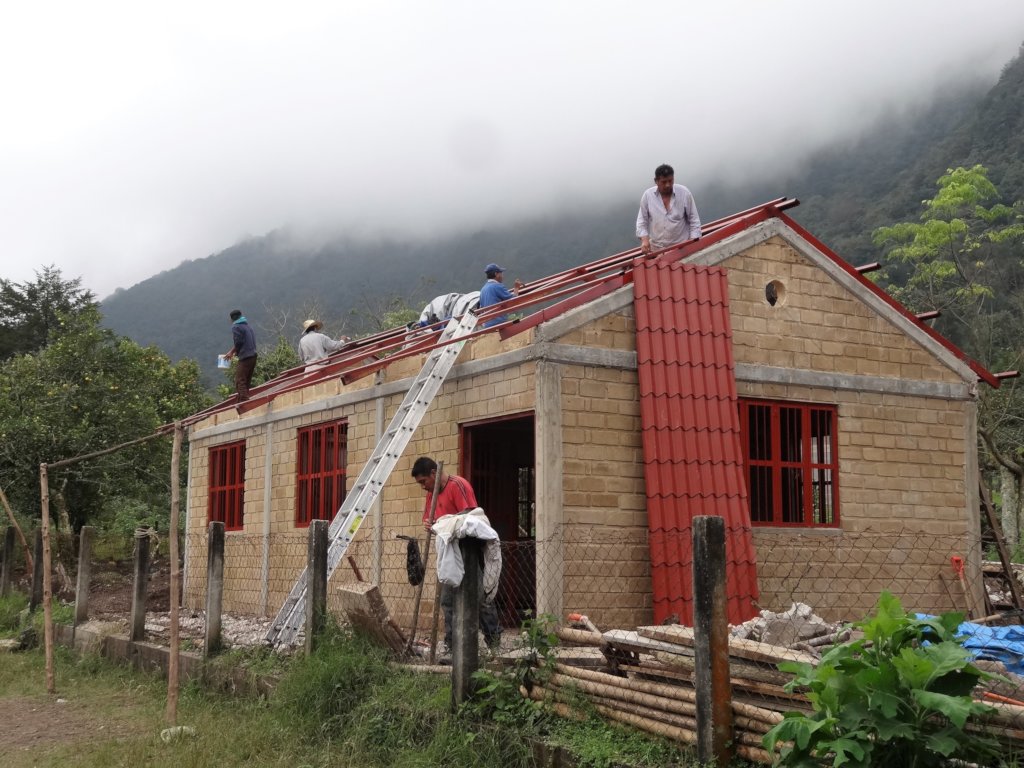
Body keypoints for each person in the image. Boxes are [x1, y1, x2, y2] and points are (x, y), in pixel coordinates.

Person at [410, 456, 501, 652]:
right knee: (447, 600)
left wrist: (442, 523)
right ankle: (452, 644)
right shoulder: (431, 493)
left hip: (469, 552)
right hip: (448, 554)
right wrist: (430, 524)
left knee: (481, 597)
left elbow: (470, 519)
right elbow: (430, 519)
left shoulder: (458, 485)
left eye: (423, 481)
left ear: (434, 473)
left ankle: (494, 642)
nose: (422, 486)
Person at [636, 163, 702, 255]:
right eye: (664, 182)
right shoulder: (648, 196)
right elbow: (642, 221)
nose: (667, 185)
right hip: (656, 250)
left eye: (670, 181)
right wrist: (645, 240)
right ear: (656, 181)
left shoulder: (684, 193)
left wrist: (691, 244)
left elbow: (694, 220)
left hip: (681, 248)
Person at [223, 309, 257, 401]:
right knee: (246, 379)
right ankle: (244, 398)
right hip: (253, 355)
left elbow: (238, 342)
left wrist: (231, 352)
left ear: (232, 319)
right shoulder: (247, 326)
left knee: (240, 380)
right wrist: (233, 351)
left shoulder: (236, 327)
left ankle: (244, 401)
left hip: (245, 356)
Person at [478, 263, 524, 328]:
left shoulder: (483, 289)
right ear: (496, 274)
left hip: (487, 324)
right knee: (520, 321)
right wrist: (516, 287)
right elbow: (514, 302)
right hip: (498, 322)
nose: (502, 276)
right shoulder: (497, 286)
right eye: (501, 273)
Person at [408, 291, 480, 330]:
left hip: (453, 310)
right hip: (447, 317)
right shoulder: (424, 323)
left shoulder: (425, 323)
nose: (417, 328)